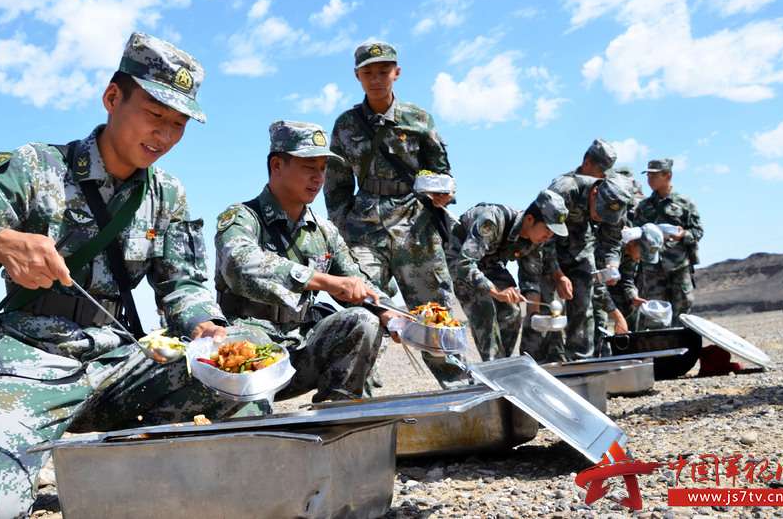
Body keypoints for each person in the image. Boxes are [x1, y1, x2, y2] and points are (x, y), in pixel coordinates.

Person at [0, 32, 268, 519]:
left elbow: (183, 284)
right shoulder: (36, 167)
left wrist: (204, 324)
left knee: (245, 394)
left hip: (120, 362)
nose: (165, 136)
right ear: (113, 98)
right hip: (30, 362)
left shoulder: (168, 194)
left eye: (178, 125)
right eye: (155, 116)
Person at [215, 120, 400, 403]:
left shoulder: (324, 231)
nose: (318, 178)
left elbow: (356, 282)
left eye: (323, 169)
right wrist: (324, 281)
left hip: (302, 349)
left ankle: (337, 419)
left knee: (364, 320)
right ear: (277, 166)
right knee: (253, 428)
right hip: (249, 351)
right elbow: (240, 265)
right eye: (308, 167)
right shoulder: (242, 218)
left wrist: (388, 313)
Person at [325, 40, 466, 387]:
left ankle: (459, 387)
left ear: (396, 73)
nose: (376, 78)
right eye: (368, 72)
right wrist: (344, 231)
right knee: (360, 303)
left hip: (415, 227)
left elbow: (441, 170)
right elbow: (337, 183)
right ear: (357, 76)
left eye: (383, 71)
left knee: (434, 310)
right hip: (364, 229)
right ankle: (356, 389)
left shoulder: (418, 119)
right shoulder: (346, 124)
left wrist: (444, 194)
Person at [445, 190, 569, 360]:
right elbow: (465, 264)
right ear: (529, 219)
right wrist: (496, 292)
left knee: (511, 311)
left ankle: (501, 364)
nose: (549, 236)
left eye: (553, 233)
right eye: (547, 229)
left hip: (490, 265)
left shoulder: (536, 242)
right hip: (459, 260)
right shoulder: (493, 220)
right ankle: (494, 369)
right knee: (485, 306)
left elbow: (531, 279)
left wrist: (535, 315)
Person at [521, 174, 632, 363]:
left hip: (580, 251)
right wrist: (558, 275)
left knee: (583, 305)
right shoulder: (566, 189)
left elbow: (613, 240)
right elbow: (543, 238)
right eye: (600, 211)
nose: (601, 217)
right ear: (595, 192)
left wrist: (613, 264)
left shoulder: (616, 204)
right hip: (548, 248)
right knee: (547, 309)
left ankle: (579, 362)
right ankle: (539, 363)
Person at [633, 158, 703, 327]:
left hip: (678, 267)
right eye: (648, 176)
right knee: (655, 316)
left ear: (668, 176)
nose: (650, 180)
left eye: (655, 176)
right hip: (652, 270)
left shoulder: (685, 203)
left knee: (682, 315)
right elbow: (636, 234)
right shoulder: (643, 207)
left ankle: (684, 352)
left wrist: (682, 235)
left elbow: (698, 231)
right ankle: (660, 353)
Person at [608, 223, 666, 331]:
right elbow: (598, 284)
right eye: (643, 253)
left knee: (631, 309)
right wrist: (616, 315)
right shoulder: (612, 246)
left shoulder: (632, 254)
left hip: (611, 283)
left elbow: (626, 277)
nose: (643, 259)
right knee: (598, 315)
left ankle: (627, 345)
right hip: (594, 285)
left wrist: (634, 298)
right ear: (632, 241)